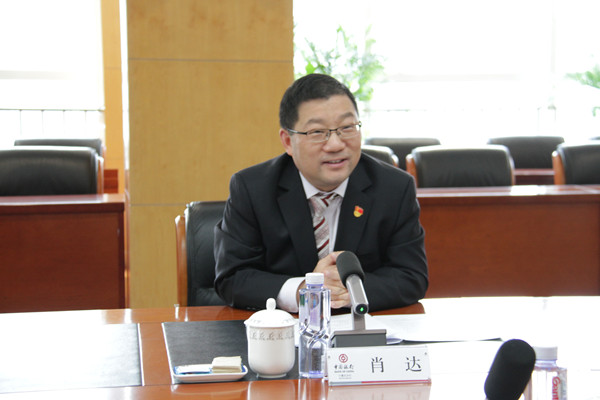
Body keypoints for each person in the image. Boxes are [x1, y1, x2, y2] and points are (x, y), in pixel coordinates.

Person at [214, 73, 428, 312]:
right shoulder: (252, 189)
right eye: (317, 132)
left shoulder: (394, 188)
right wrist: (305, 290)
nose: (335, 144)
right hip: (284, 329)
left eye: (347, 127)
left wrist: (350, 292)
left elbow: (411, 276)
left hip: (360, 327)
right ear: (288, 141)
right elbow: (232, 278)